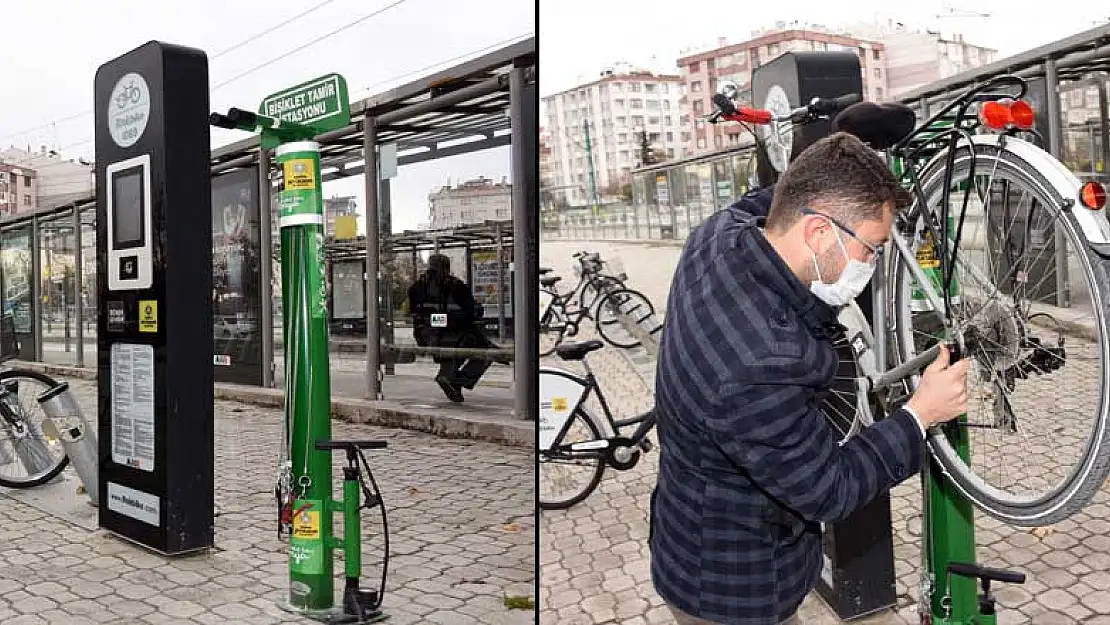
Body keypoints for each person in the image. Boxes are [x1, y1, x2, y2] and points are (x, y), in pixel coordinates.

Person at [649, 132, 971, 625]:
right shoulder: (758, 365)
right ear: (820, 233)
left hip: (688, 526)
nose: (873, 263)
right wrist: (919, 415)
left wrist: (841, 149)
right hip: (733, 590)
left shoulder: (716, 237)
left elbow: (783, 196)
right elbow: (830, 487)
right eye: (872, 247)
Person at [407, 254, 493, 403]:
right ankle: (458, 380)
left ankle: (450, 378)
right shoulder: (456, 286)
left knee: (461, 343)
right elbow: (472, 312)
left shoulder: (416, 287)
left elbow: (412, 311)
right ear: (447, 268)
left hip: (425, 336)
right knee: (488, 349)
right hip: (454, 336)